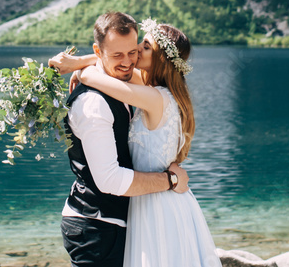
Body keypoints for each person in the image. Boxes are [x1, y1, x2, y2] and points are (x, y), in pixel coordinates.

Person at [50, 16, 222, 267]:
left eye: (144, 47)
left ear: (161, 59)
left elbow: (93, 78)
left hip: (156, 201)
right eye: (138, 45)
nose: (135, 53)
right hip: (155, 198)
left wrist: (82, 68)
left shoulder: (154, 97)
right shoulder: (154, 88)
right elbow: (118, 68)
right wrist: (83, 62)